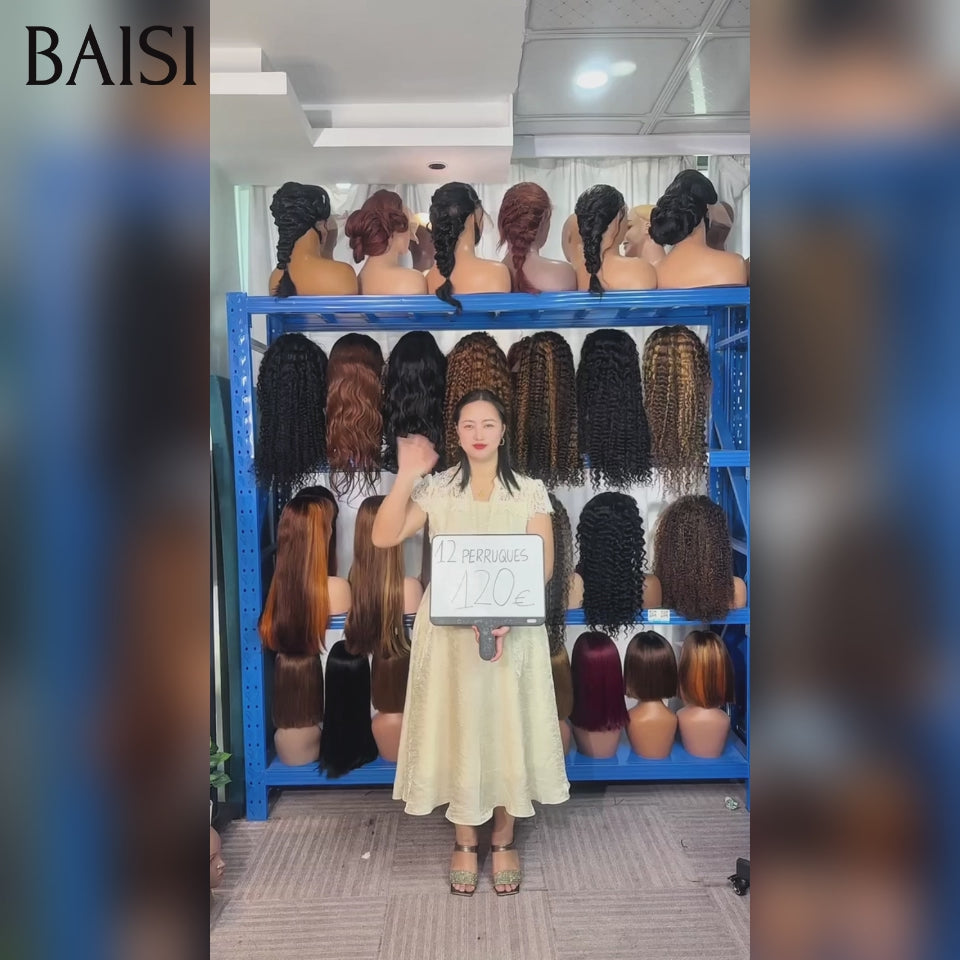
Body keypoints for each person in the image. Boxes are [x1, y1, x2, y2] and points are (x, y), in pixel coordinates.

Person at [372, 388, 570, 896]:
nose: (478, 434)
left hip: (512, 629)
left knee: (505, 724)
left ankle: (503, 839)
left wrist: (506, 615)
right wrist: (408, 473)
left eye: (488, 424)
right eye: (468, 425)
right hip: (449, 635)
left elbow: (543, 567)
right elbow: (383, 536)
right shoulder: (437, 489)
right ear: (456, 434)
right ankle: (464, 837)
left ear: (503, 432)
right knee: (458, 723)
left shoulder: (530, 491)